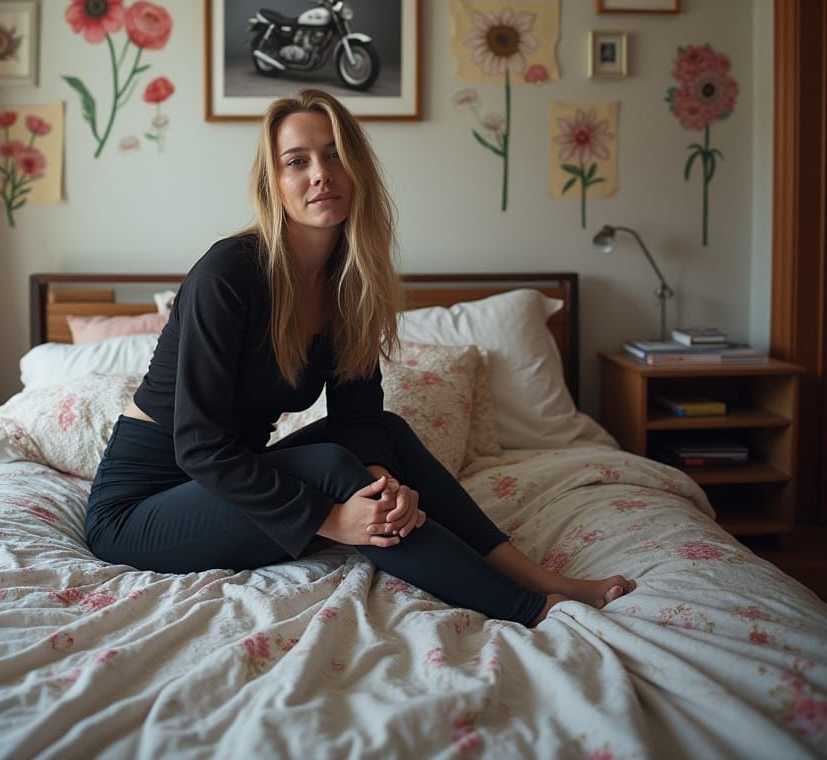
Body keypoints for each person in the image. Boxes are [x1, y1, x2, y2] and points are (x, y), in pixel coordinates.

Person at [85, 88, 635, 626]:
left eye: (334, 155)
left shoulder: (351, 283)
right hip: (142, 508)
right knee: (330, 468)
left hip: (227, 484)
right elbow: (200, 446)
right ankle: (529, 609)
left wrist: (381, 484)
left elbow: (359, 419)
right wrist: (333, 519)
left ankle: (534, 576)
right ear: (274, 185)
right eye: (296, 162)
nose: (320, 173)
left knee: (385, 435)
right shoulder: (228, 273)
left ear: (357, 171)